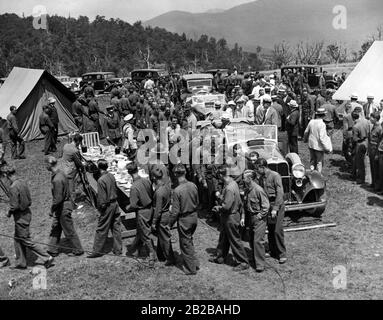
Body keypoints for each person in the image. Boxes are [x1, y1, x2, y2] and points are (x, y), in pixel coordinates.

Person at [6, 166, 54, 269]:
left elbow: (14, 206)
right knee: (17, 238)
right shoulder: (23, 182)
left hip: (20, 216)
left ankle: (47, 257)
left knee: (26, 240)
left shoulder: (13, 187)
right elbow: (29, 199)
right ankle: (21, 262)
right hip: (27, 212)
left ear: (8, 175)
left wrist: (9, 212)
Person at [210, 165, 250, 271]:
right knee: (223, 238)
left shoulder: (228, 188)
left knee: (235, 240)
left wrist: (218, 208)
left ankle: (243, 262)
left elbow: (227, 206)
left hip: (230, 217)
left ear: (220, 175)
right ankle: (220, 257)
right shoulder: (233, 183)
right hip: (229, 217)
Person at [46, 157, 84, 257]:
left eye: (45, 164)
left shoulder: (57, 179)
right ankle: (52, 248)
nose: (45, 166)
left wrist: (52, 209)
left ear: (49, 165)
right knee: (56, 227)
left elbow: (58, 198)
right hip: (63, 205)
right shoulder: (60, 173)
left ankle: (78, 249)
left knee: (68, 229)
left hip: (62, 206)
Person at [169, 164, 199, 275]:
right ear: (185, 172)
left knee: (185, 243)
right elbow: (197, 202)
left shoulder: (177, 191)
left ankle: (191, 269)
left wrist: (170, 223)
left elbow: (175, 211)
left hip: (184, 219)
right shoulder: (193, 185)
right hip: (194, 216)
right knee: (190, 240)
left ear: (175, 174)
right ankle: (195, 263)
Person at [254, 158, 287, 264]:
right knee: (271, 229)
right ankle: (273, 251)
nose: (256, 171)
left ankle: (282, 254)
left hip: (276, 205)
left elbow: (280, 193)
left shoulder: (275, 176)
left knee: (277, 230)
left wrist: (275, 209)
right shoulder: (261, 177)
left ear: (262, 167)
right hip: (268, 205)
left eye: (257, 168)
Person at [88, 159, 122, 258]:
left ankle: (96, 251)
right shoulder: (111, 175)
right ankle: (118, 250)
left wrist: (101, 210)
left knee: (101, 228)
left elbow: (102, 199)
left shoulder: (101, 180)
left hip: (107, 206)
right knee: (116, 227)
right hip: (115, 203)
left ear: (99, 168)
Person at [126, 162, 156, 267]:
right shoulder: (146, 181)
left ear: (129, 173)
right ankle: (135, 248)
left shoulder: (134, 187)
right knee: (141, 230)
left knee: (145, 234)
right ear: (137, 170)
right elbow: (152, 193)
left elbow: (133, 204)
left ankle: (152, 255)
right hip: (150, 208)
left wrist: (128, 207)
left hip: (142, 211)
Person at [242, 170, 269, 272]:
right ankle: (254, 258)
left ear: (250, 179)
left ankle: (260, 265)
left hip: (259, 219)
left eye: (244, 177)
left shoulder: (258, 190)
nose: (243, 179)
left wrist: (260, 215)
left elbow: (266, 206)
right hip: (250, 217)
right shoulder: (247, 189)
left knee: (258, 241)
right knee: (251, 239)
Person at [150, 167, 175, 266]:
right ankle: (161, 255)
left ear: (154, 178)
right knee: (162, 236)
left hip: (162, 216)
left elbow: (158, 210)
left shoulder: (159, 191)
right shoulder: (166, 186)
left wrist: (153, 222)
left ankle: (171, 258)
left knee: (165, 237)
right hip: (166, 213)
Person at [303, 108, 333, 173]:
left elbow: (306, 132)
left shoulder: (311, 121)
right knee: (319, 161)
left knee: (312, 160)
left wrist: (305, 139)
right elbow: (322, 138)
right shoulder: (322, 124)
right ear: (324, 115)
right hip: (318, 146)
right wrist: (327, 148)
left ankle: (311, 172)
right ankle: (318, 175)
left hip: (311, 144)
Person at [60, 133, 84, 207]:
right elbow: (78, 162)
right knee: (72, 189)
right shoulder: (74, 150)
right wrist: (83, 165)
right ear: (78, 142)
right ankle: (73, 206)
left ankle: (67, 201)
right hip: (70, 171)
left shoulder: (66, 145)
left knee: (67, 188)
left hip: (63, 168)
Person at [352, 107, 371, 184]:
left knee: (359, 162)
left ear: (353, 118)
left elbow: (355, 139)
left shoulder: (355, 126)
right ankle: (366, 176)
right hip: (367, 141)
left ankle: (361, 178)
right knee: (365, 160)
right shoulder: (367, 121)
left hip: (360, 144)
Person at [368, 112, 382, 191]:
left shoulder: (379, 128)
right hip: (371, 149)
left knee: (376, 168)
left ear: (376, 119)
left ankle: (377, 186)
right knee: (372, 167)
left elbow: (380, 142)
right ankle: (373, 183)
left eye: (371, 117)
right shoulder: (373, 126)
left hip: (376, 150)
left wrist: (377, 153)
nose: (370, 119)